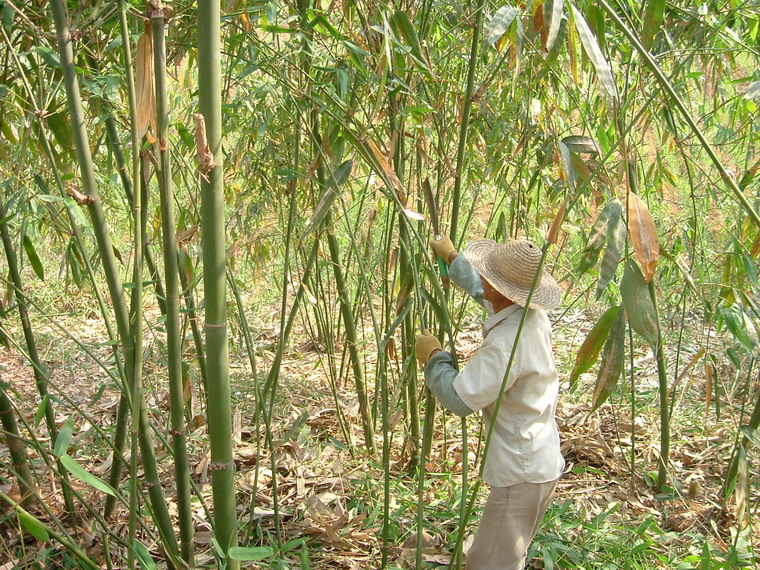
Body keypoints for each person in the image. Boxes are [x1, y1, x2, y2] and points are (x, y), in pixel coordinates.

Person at [414, 236, 564, 570]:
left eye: (486, 274)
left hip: (519, 474)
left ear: (501, 290)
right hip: (541, 461)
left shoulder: (506, 343)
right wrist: (454, 259)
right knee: (508, 557)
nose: (481, 279)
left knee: (491, 564)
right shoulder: (530, 316)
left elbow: (459, 398)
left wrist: (435, 358)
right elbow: (484, 293)